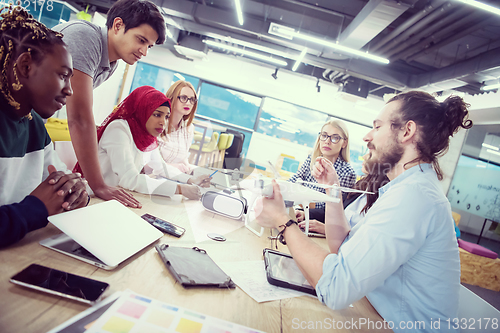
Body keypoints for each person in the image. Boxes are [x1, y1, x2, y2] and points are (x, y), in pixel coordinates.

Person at [255, 91, 472, 332]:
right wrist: (333, 190)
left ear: (407, 131)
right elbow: (343, 246)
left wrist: (282, 221)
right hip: (377, 315)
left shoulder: (414, 197)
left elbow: (335, 288)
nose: (368, 136)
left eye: (377, 127)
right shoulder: (404, 189)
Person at [53, 0, 166, 208]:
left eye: (148, 46)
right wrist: (99, 185)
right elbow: (78, 117)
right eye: (140, 40)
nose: (144, 51)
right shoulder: (85, 38)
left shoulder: (111, 63)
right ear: (117, 26)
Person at [0, 6, 88, 248]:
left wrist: (77, 191)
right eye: (63, 75)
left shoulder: (34, 125)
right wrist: (35, 209)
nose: (69, 89)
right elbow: (39, 205)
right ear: (26, 66)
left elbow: (60, 182)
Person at [74, 86, 203, 200]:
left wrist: (190, 180)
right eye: (157, 115)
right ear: (142, 110)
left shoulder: (146, 134)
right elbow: (130, 179)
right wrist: (180, 189)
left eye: (166, 117)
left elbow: (160, 167)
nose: (163, 122)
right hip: (93, 198)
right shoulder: (119, 129)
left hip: (120, 196)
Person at [297, 153, 389, 234]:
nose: (364, 157)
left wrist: (329, 230)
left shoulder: (384, 198)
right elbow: (334, 210)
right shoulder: (362, 185)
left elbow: (365, 235)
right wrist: (305, 214)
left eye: (370, 154)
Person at [290, 119, 356, 220]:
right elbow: (295, 180)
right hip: (298, 210)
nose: (327, 141)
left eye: (335, 138)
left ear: (344, 143)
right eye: (324, 136)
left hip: (314, 219)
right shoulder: (311, 158)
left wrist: (302, 202)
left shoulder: (347, 172)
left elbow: (331, 207)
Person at [158, 80, 211, 185]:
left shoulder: (189, 128)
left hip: (176, 179)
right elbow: (147, 164)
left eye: (192, 99)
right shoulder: (158, 123)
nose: (188, 103)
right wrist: (174, 167)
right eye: (183, 98)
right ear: (172, 98)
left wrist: (194, 171)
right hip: (156, 179)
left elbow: (183, 160)